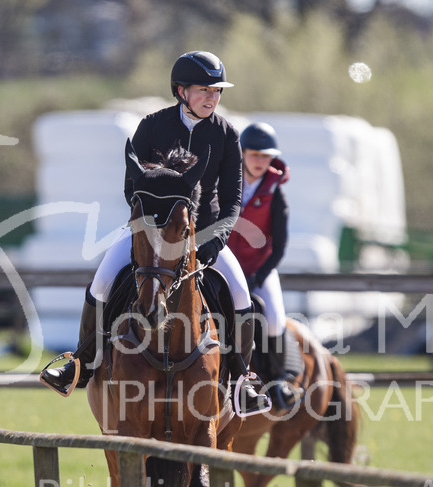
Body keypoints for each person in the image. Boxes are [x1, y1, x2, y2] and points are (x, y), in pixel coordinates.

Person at [41, 50, 271, 416]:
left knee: (242, 294)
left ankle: (243, 381)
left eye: (217, 91)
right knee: (102, 281)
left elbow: (232, 202)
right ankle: (79, 364)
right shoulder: (151, 126)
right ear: (181, 91)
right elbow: (130, 188)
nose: (212, 98)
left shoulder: (227, 135)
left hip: (204, 234)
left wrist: (214, 242)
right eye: (203, 90)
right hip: (148, 230)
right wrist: (147, 228)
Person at [227, 122, 299, 411]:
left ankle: (280, 381)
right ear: (243, 153)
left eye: (265, 156)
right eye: (254, 155)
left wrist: (259, 275)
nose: (259, 162)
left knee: (273, 319)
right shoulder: (226, 181)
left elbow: (280, 246)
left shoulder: (276, 193)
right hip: (223, 264)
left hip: (260, 267)